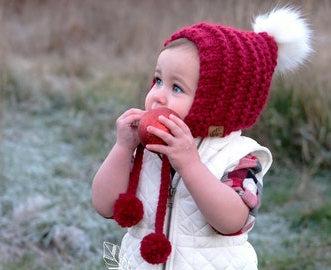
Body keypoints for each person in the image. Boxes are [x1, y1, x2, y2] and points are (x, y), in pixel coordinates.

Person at [92, 6, 312, 269]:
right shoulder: (146, 145)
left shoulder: (240, 157)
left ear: (217, 103)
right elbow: (104, 205)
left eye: (176, 87)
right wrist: (122, 148)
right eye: (158, 80)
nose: (158, 95)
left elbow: (232, 222)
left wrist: (190, 165)